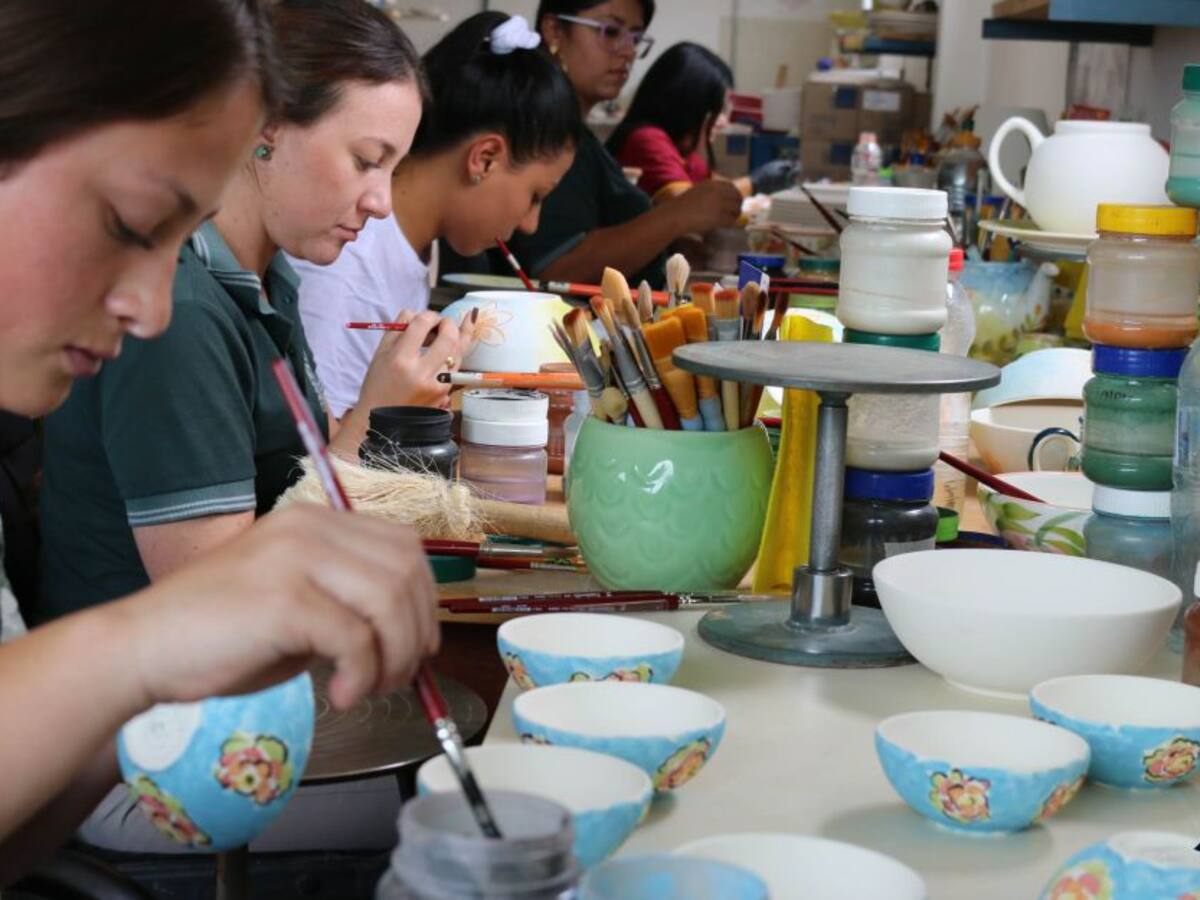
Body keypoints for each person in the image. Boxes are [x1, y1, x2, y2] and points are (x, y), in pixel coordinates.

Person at [0, 0, 439, 883]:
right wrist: (148, 643)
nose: (151, 307)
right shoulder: (190, 321)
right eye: (132, 224)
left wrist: (150, 658)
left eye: (176, 238)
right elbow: (194, 596)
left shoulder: (257, 286)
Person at [37, 0, 467, 621]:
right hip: (161, 674)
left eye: (392, 171)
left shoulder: (270, 277)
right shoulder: (178, 311)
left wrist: (386, 405)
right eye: (366, 162)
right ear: (268, 128)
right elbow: (215, 598)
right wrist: (374, 420)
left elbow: (297, 468)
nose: (381, 202)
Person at [293, 11, 580, 418]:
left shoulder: (412, 242)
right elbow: (324, 441)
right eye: (536, 196)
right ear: (485, 158)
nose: (530, 224)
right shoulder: (348, 258)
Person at [487, 0, 744, 289]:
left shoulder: (579, 134)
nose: (628, 51)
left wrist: (668, 246)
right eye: (610, 31)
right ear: (554, 30)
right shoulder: (543, 128)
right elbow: (558, 268)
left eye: (635, 37)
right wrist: (676, 217)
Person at [608, 42, 797, 202]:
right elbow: (688, 206)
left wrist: (766, 180)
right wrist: (755, 183)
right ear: (690, 105)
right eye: (718, 111)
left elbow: (715, 188)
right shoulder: (647, 139)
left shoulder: (683, 152)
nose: (723, 122)